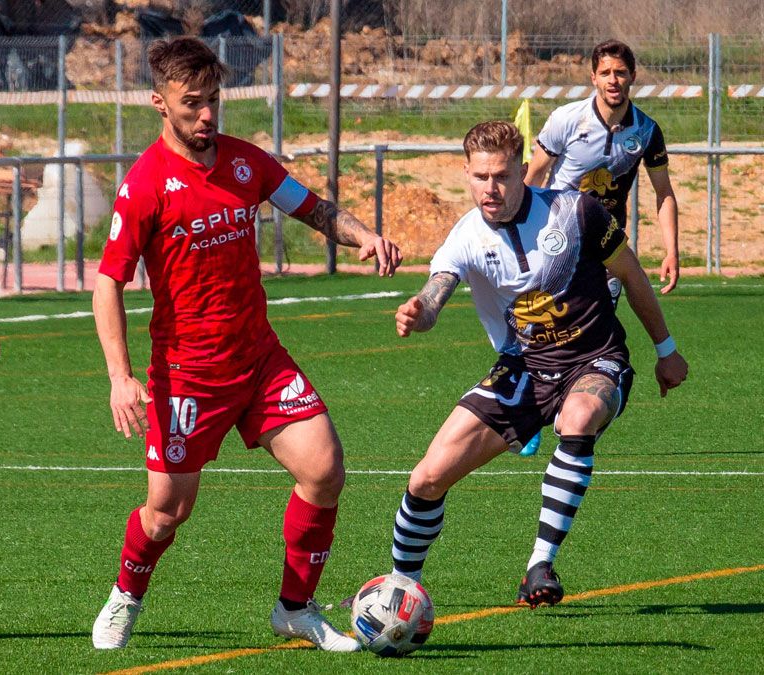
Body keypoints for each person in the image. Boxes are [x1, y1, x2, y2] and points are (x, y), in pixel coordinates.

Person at [90, 37, 402, 652]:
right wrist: (119, 376)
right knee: (167, 512)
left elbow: (310, 208)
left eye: (213, 101)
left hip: (259, 360)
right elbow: (108, 284)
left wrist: (362, 235)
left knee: (324, 469)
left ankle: (295, 608)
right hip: (187, 374)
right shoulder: (145, 185)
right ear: (159, 103)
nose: (207, 116)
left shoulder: (245, 162)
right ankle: (126, 594)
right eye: (191, 104)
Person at [391, 121, 687, 607]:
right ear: (465, 174)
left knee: (580, 416)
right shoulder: (464, 237)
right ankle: (398, 589)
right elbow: (435, 292)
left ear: (524, 171)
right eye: (481, 176)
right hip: (522, 367)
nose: (491, 188)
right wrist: (419, 312)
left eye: (502, 176)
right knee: (426, 478)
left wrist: (666, 349)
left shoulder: (575, 211)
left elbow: (631, 275)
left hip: (595, 358)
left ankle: (539, 564)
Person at [522, 40, 681, 458]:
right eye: (606, 73)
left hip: (607, 249)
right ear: (593, 77)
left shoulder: (645, 131)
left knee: (592, 331)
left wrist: (671, 250)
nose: (614, 80)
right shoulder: (565, 120)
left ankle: (576, 415)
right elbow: (534, 178)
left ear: (633, 76)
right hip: (554, 244)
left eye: (621, 72)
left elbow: (663, 192)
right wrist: (519, 235)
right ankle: (531, 406)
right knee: (537, 328)